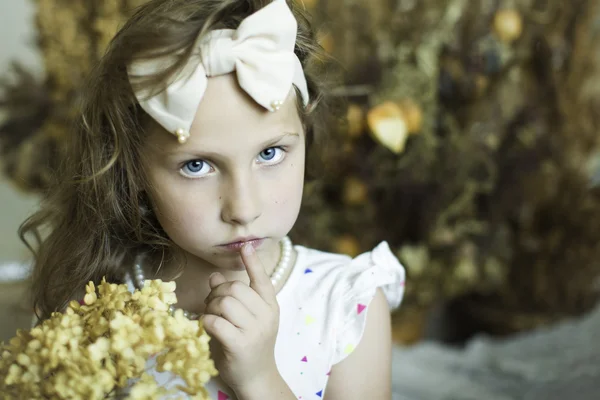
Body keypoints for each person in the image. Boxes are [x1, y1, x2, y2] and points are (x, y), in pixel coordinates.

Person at [20, 0, 405, 398]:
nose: (243, 208)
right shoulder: (93, 308)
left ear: (304, 132)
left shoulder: (346, 304)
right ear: (131, 169)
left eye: (270, 154)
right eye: (197, 166)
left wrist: (259, 380)